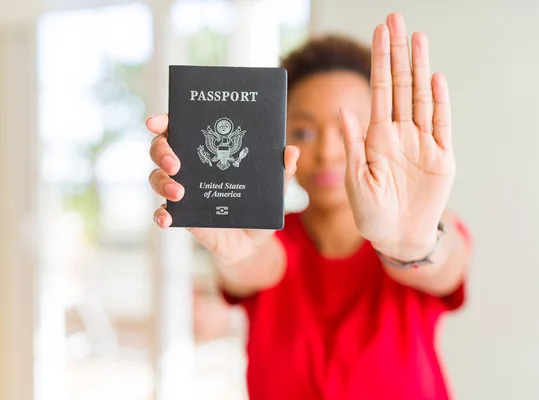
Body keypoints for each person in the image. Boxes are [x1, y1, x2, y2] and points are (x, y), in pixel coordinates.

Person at [147, 12, 473, 400]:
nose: (329, 152)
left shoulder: (423, 231)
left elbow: (445, 263)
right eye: (303, 131)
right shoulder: (270, 238)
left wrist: (412, 245)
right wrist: (235, 239)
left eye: (351, 129)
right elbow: (255, 262)